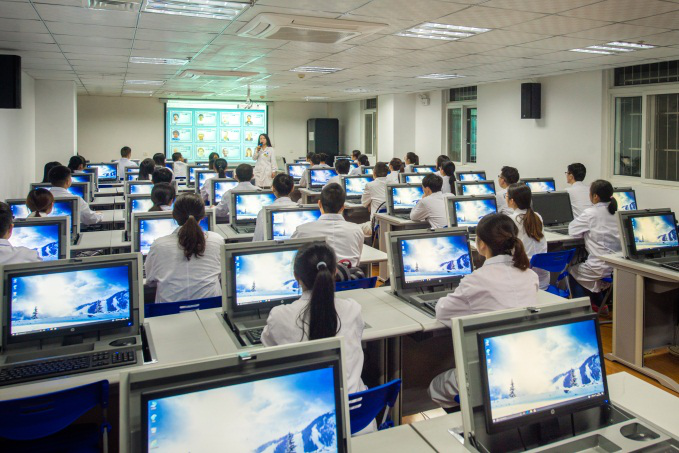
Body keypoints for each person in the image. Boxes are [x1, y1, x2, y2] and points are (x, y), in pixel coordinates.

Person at [429, 213, 539, 409]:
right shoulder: (530, 275)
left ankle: (473, 419)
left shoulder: (476, 280)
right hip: (527, 365)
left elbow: (443, 313)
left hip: (492, 370)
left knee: (435, 387)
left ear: (480, 245)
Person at [261, 243, 367, 395]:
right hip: (359, 406)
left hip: (311, 406)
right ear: (335, 272)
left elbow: (267, 352)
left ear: (296, 276)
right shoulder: (353, 309)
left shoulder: (279, 316)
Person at [145, 194, 223, 303]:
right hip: (211, 308)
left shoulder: (158, 246)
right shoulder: (217, 240)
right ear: (203, 216)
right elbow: (220, 274)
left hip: (169, 310)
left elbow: (150, 280)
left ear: (174, 216)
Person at [568, 180, 621, 312]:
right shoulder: (617, 213)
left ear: (595, 196)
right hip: (616, 267)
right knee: (590, 276)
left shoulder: (590, 213)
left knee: (571, 271)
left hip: (599, 266)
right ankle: (600, 305)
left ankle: (582, 311)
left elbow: (572, 230)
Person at [292, 183, 365, 267]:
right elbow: (357, 260)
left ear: (319, 204)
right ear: (343, 207)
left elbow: (293, 260)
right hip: (348, 275)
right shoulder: (356, 230)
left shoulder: (302, 230)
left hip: (313, 275)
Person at [506, 183, 549, 289]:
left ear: (512, 201)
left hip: (525, 283)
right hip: (543, 282)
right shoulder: (537, 216)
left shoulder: (511, 220)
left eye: (506, 196)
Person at [252, 174, 296, 242]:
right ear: (293, 188)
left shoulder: (263, 212)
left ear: (273, 188)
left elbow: (257, 240)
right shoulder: (301, 209)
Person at [360, 162, 388, 235]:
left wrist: (370, 204)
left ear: (374, 173)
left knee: (356, 228)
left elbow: (364, 203)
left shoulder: (370, 185)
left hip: (376, 225)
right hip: (390, 224)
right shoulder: (392, 183)